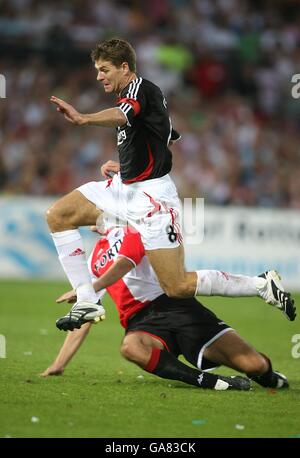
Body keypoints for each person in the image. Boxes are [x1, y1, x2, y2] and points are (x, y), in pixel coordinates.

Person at [48, 38, 296, 329]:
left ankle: (261, 285)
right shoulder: (139, 97)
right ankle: (87, 299)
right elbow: (166, 137)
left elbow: (123, 116)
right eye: (97, 70)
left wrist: (83, 118)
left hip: (153, 200)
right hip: (125, 189)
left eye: (104, 69)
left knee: (176, 285)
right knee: (58, 215)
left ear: (124, 67)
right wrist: (125, 167)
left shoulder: (140, 89)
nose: (99, 76)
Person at [42, 225, 289, 392]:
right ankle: (212, 382)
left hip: (178, 306)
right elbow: (87, 311)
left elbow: (125, 263)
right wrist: (59, 363)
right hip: (142, 323)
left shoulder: (136, 228)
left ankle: (269, 377)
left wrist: (91, 285)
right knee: (131, 347)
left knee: (254, 365)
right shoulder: (93, 257)